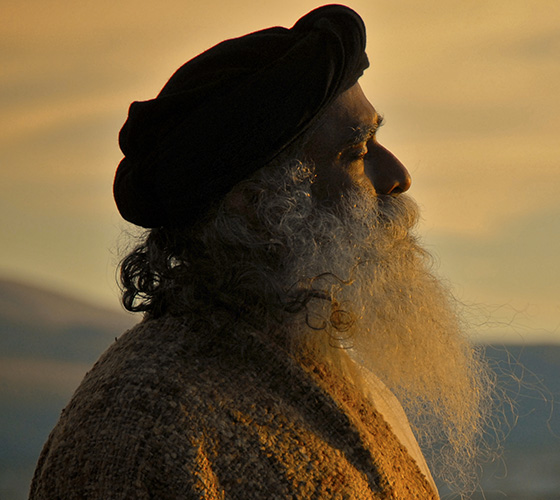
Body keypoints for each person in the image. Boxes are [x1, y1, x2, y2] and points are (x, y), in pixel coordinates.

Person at [29, 5, 494, 499]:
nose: (398, 175)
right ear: (257, 204)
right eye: (357, 152)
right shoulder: (138, 428)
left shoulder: (347, 382)